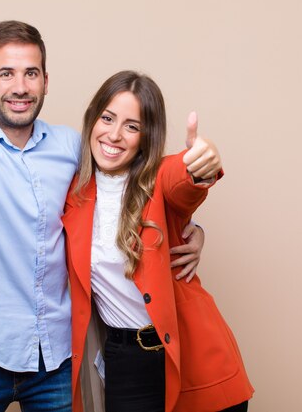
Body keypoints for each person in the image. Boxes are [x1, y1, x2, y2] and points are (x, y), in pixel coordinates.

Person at [0, 21, 213, 412]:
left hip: (56, 358)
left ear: (45, 81)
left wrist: (191, 230)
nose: (20, 86)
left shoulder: (73, 148)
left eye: (31, 73)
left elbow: (136, 187)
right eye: (6, 73)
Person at [61, 71, 253, 411]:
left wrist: (201, 163)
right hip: (125, 361)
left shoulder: (160, 179)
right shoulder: (70, 194)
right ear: (93, 119)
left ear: (146, 138)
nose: (115, 134)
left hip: (195, 356)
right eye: (107, 118)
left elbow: (184, 182)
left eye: (132, 126)